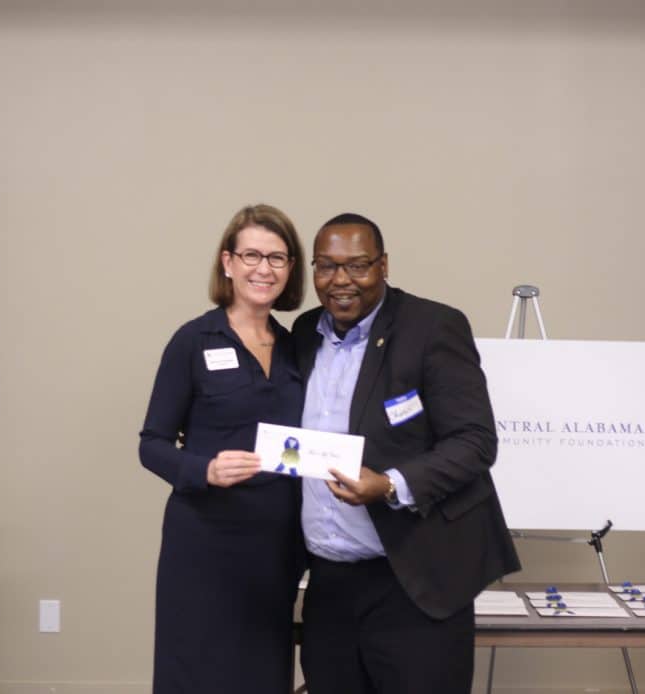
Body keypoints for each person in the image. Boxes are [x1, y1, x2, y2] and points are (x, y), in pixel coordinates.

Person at [293, 212, 521, 694]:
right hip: (329, 586)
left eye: (357, 265)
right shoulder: (304, 332)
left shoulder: (433, 327)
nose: (340, 280)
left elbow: (475, 441)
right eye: (326, 266)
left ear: (384, 265)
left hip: (414, 580)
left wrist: (390, 484)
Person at [139, 204, 306, 694]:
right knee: (199, 669)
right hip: (206, 541)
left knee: (263, 672)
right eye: (251, 255)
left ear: (290, 269)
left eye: (277, 258)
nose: (264, 269)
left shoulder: (297, 347)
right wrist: (205, 469)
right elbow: (151, 445)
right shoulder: (192, 341)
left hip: (276, 545)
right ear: (228, 262)